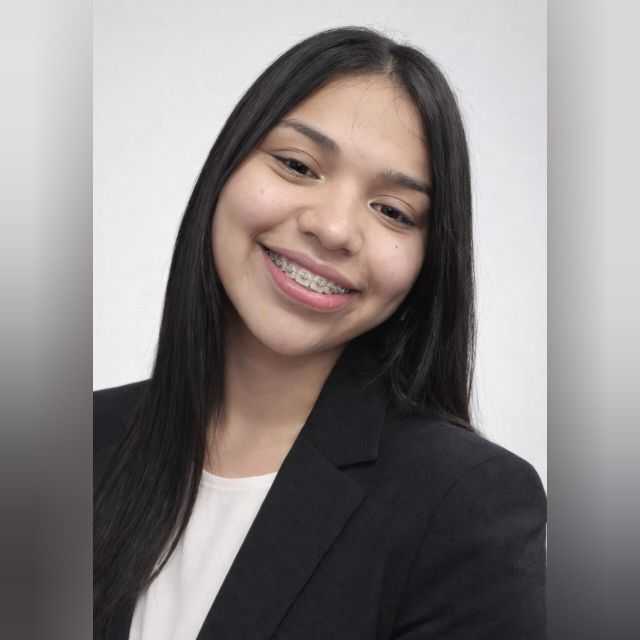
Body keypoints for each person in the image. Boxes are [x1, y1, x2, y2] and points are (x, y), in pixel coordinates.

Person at [94, 26, 547, 640]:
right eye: (297, 165)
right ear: (225, 167)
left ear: (429, 259)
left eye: (393, 211)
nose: (333, 230)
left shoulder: (465, 505)